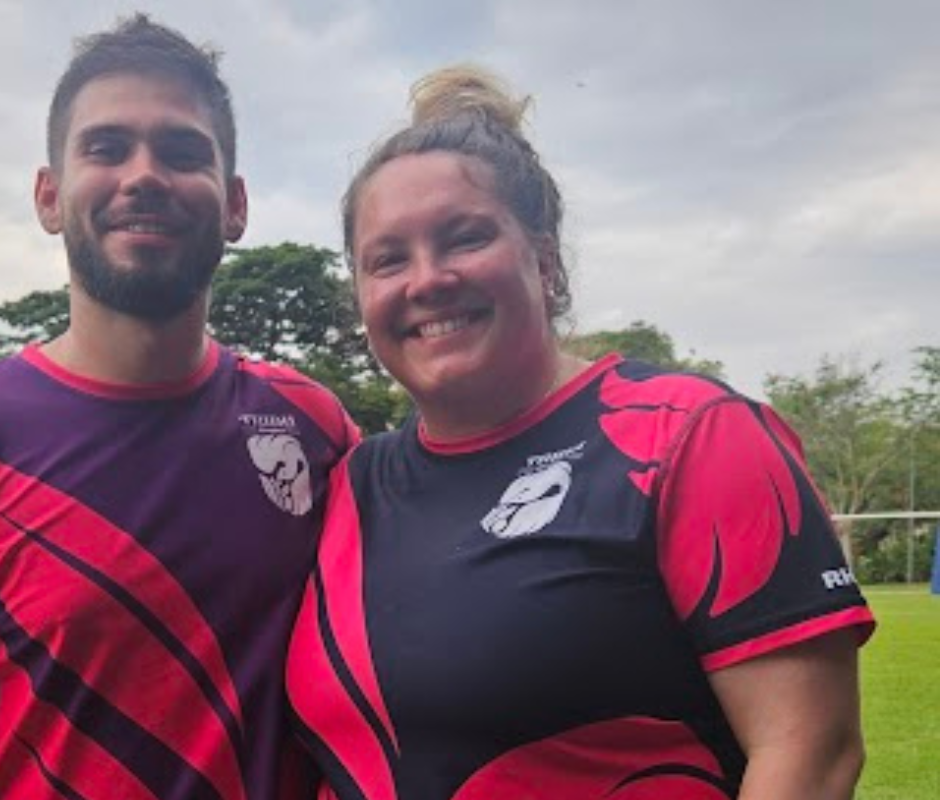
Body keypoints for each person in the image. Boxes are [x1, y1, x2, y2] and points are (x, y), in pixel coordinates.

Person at [286, 65, 874, 800]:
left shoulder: (685, 435)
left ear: (546, 260)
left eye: (464, 238)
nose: (427, 279)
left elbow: (811, 754)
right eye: (388, 259)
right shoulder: (352, 483)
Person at [0, 14, 356, 800]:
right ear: (49, 196)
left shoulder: (315, 430)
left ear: (235, 205)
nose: (144, 175)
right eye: (106, 148)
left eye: (182, 152)